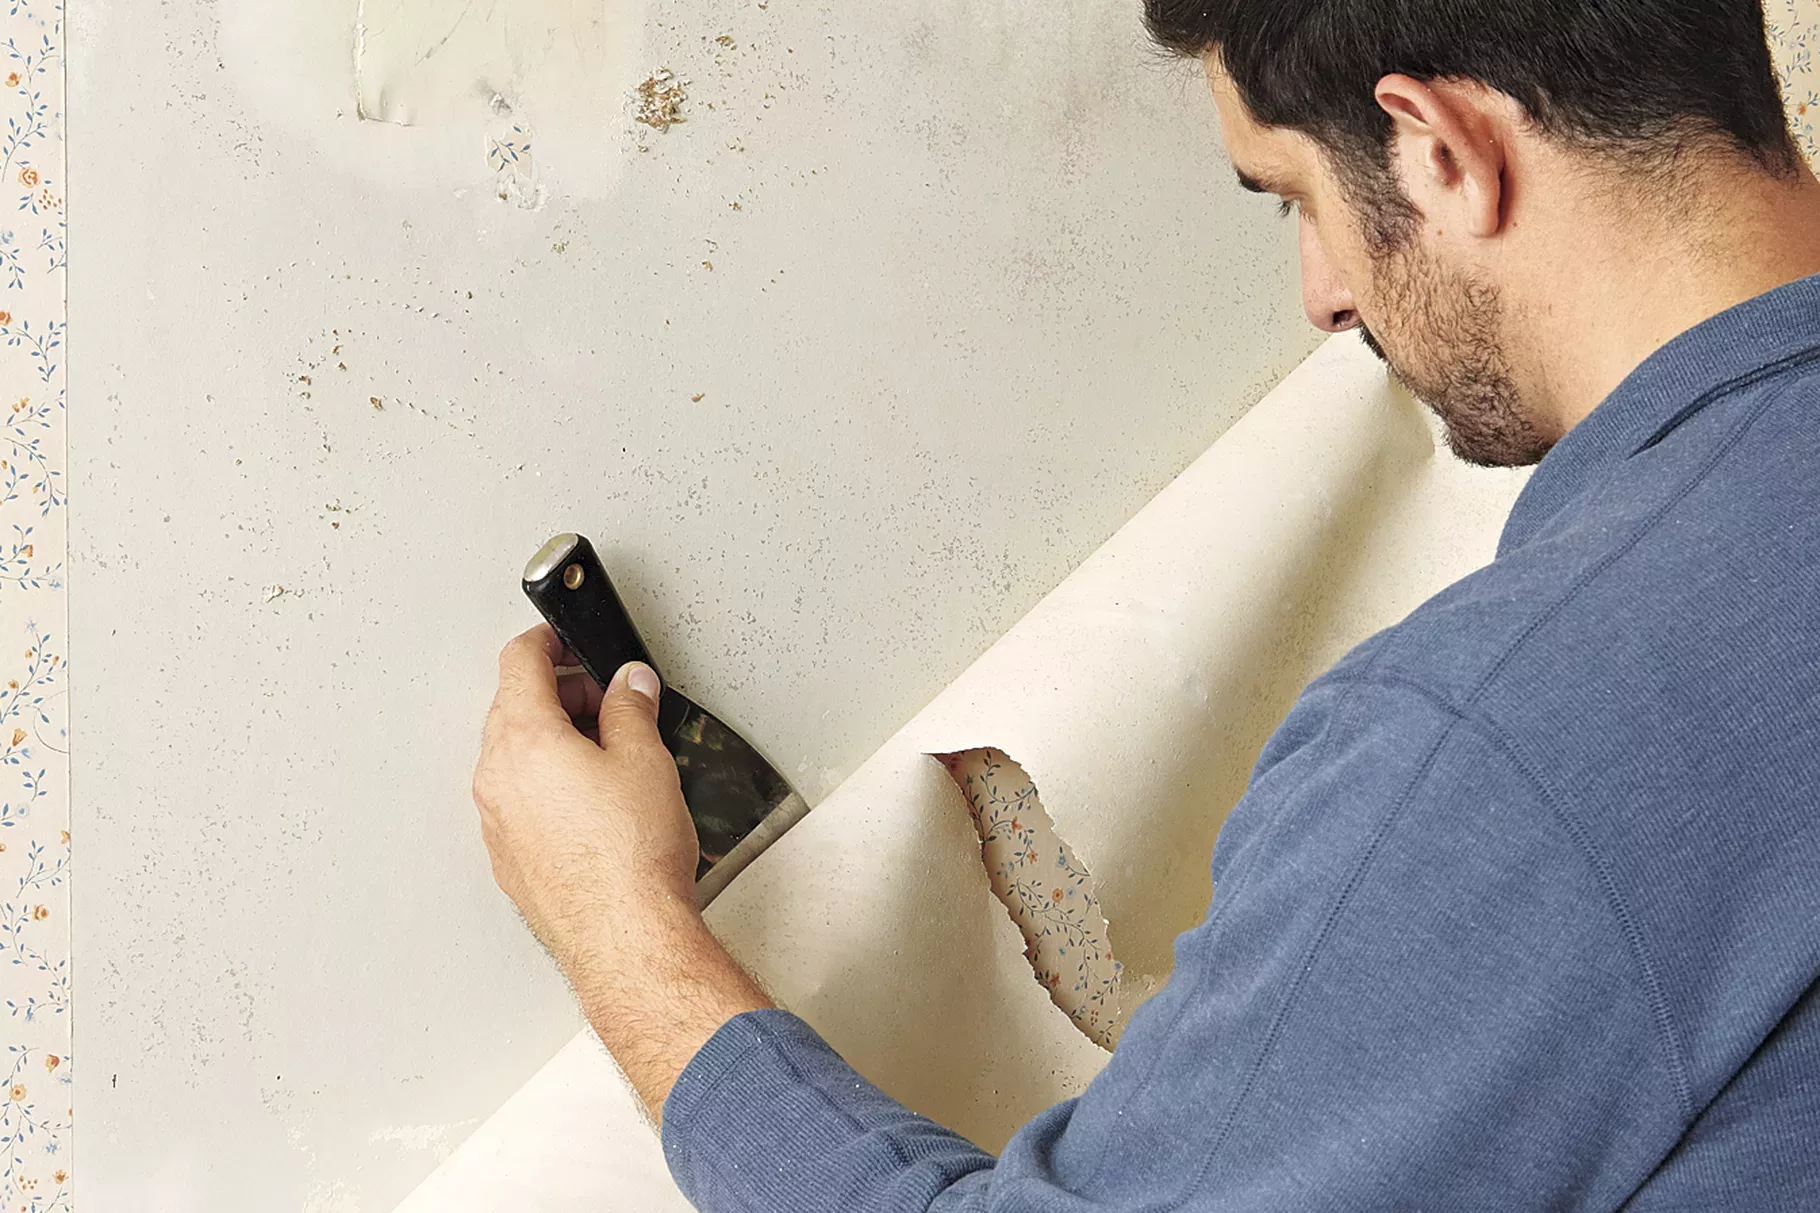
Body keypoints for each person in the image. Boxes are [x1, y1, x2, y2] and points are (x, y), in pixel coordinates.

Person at [472, 0, 1820, 1207]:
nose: (1322, 296)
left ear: (1438, 150)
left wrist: (618, 932)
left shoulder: (1504, 741)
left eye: (1293, 197)